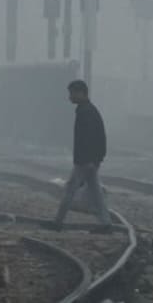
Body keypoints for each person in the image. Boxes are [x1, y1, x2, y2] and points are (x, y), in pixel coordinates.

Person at [51, 80, 112, 232]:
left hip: (85, 161)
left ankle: (57, 223)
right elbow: (99, 137)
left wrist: (91, 160)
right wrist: (97, 159)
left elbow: (91, 138)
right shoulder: (88, 110)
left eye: (72, 93)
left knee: (70, 189)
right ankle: (106, 224)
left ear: (81, 93)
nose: (70, 97)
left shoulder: (86, 112)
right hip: (89, 160)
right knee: (96, 193)